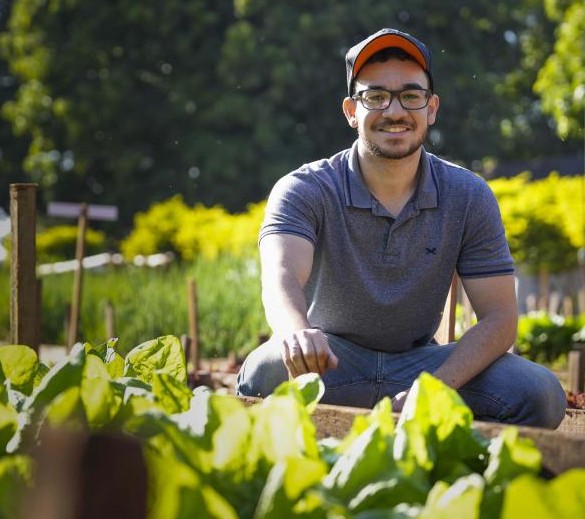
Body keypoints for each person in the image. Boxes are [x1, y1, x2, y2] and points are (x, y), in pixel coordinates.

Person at [235, 28, 566, 428]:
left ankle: (458, 480)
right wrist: (296, 333)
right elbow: (281, 275)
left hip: (423, 367)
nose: (395, 111)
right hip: (329, 365)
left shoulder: (469, 195)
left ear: (432, 108)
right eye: (375, 97)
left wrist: (436, 390)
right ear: (351, 111)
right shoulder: (305, 188)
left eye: (411, 96)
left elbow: (499, 319)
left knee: (539, 393)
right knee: (264, 372)